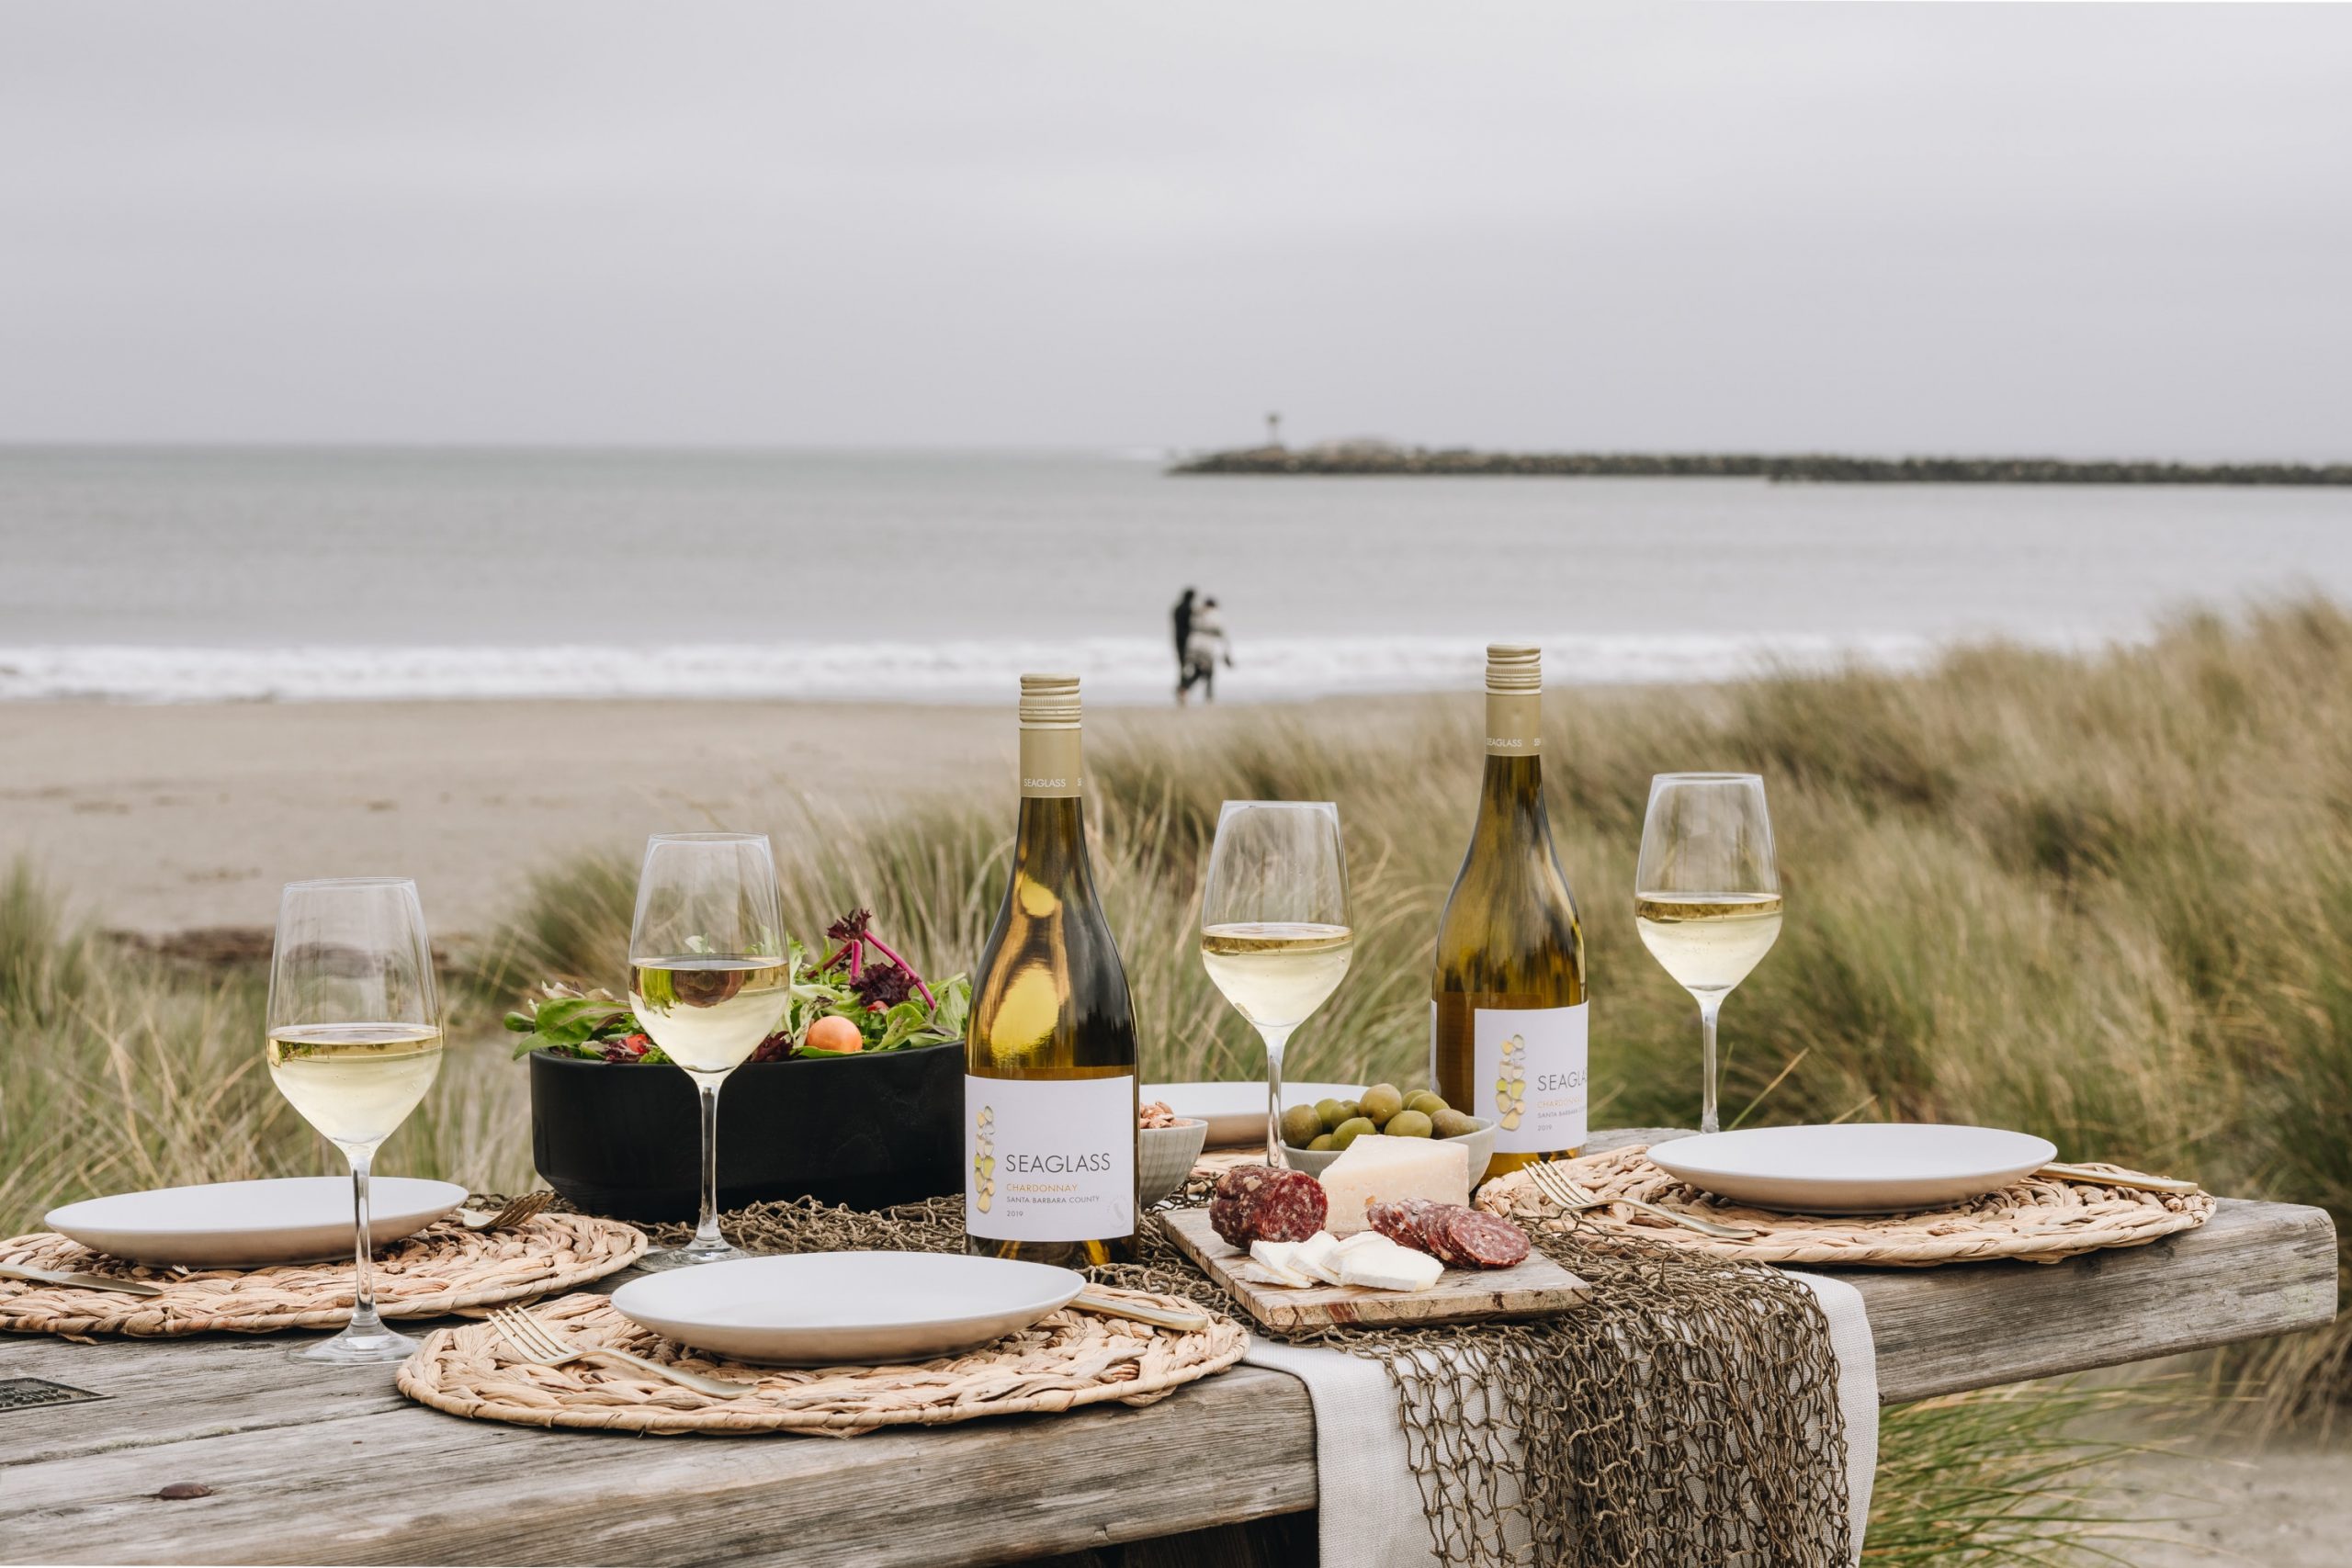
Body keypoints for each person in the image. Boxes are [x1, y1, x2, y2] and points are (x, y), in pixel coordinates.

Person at [1179, 596, 1233, 705]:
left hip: (1193, 645)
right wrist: (1227, 652)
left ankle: (1184, 689)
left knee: (1196, 670)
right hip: (1206, 647)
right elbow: (1221, 633)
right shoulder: (1216, 615)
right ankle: (1209, 696)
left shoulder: (1197, 613)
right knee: (1209, 672)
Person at [1171, 588, 1196, 698]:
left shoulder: (1176, 608)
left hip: (1177, 639)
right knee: (1189, 665)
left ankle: (1183, 687)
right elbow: (1193, 625)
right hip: (1188, 641)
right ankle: (1183, 687)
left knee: (1182, 665)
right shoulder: (1189, 609)